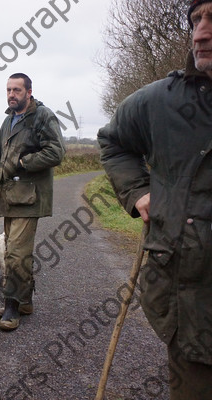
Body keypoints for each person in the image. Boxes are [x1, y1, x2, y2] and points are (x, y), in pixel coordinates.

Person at [98, 1, 212, 397]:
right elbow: (112, 141)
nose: (200, 33)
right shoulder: (160, 100)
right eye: (196, 19)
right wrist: (138, 191)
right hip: (188, 297)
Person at [0, 73, 65, 331]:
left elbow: (56, 151)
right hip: (10, 196)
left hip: (30, 196)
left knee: (16, 253)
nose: (12, 94)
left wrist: (24, 162)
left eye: (17, 90)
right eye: (9, 90)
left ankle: (11, 306)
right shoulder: (9, 120)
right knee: (17, 250)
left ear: (29, 92)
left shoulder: (42, 116)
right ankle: (25, 301)